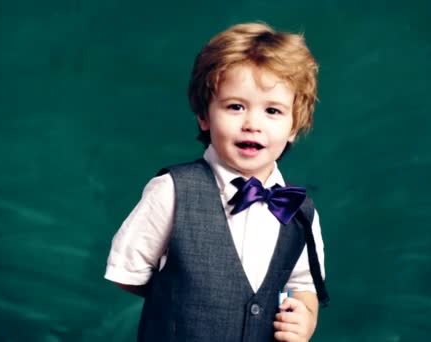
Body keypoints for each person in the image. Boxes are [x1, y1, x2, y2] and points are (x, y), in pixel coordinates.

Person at [104, 21, 329, 342]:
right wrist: (181, 300)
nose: (252, 124)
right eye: (235, 107)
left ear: (295, 126)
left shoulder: (298, 209)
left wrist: (305, 318)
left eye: (273, 111)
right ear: (204, 115)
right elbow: (128, 273)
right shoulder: (172, 191)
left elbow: (304, 284)